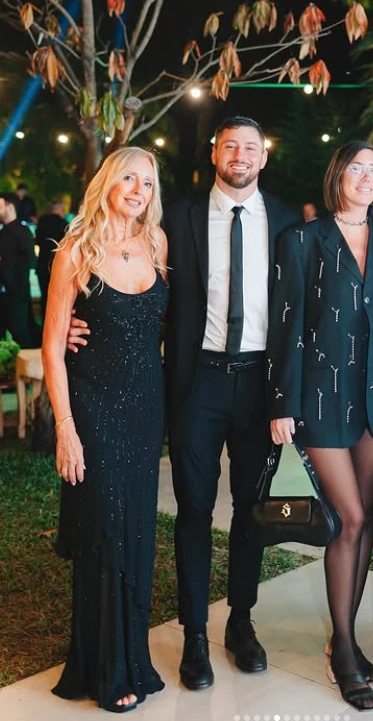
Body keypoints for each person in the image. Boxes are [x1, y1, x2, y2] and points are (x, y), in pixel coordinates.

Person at [68, 116, 300, 692]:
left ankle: (241, 621)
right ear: (215, 154)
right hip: (197, 383)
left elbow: (297, 314)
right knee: (194, 509)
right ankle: (195, 633)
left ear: (264, 157)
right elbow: (136, 288)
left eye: (251, 147)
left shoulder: (288, 222)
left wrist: (289, 394)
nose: (240, 155)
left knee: (251, 509)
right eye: (230, 146)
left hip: (260, 384)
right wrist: (79, 319)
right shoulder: (177, 218)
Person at [267, 141, 373, 711]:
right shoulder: (301, 239)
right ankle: (345, 649)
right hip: (321, 398)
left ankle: (340, 637)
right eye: (357, 168)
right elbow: (286, 324)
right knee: (346, 517)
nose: (367, 177)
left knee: (365, 516)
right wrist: (281, 402)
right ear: (338, 175)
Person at [43, 147, 168, 713]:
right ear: (108, 182)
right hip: (92, 407)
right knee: (105, 528)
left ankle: (133, 658)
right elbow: (52, 347)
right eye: (129, 178)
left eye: (148, 182)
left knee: (136, 531)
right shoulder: (75, 250)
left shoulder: (157, 243)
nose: (139, 190)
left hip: (145, 410)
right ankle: (104, 669)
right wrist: (65, 428)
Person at [0, 192, 35, 347]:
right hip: (12, 291)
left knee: (18, 332)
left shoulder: (19, 232)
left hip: (16, 292)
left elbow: (30, 261)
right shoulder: (9, 232)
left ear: (10, 207)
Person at [35, 197, 69, 319]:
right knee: (56, 297)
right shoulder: (64, 224)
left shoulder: (42, 221)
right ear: (61, 209)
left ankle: (44, 321)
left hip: (42, 264)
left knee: (44, 295)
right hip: (58, 266)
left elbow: (37, 241)